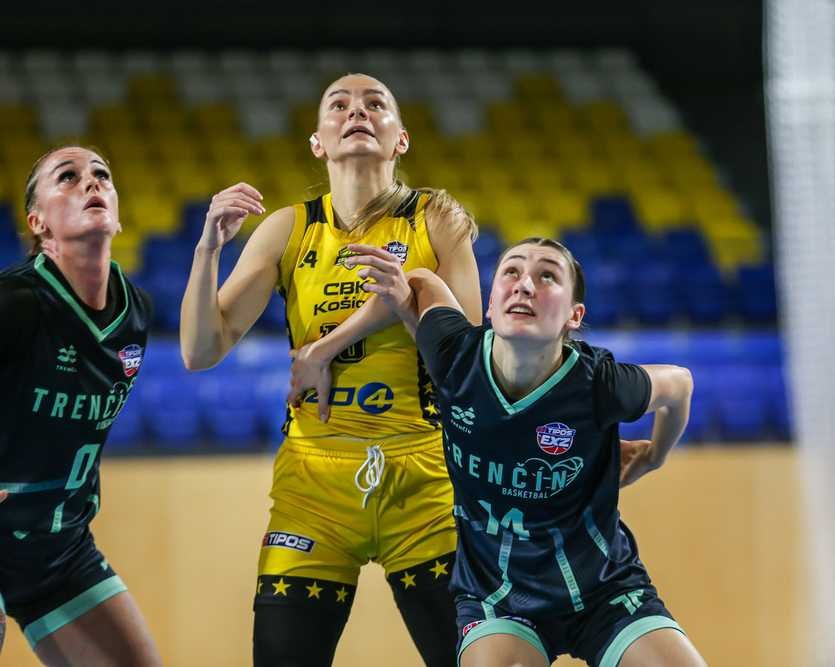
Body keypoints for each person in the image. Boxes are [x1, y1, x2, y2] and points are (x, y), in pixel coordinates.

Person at [180, 73, 481, 666]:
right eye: (338, 105)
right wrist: (207, 248)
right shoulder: (288, 228)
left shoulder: (436, 218)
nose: (356, 112)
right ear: (317, 141)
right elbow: (199, 350)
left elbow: (469, 364)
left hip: (425, 479)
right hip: (313, 486)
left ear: (401, 138)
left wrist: (335, 342)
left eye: (375, 104)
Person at [340, 237, 708, 666]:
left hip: (606, 590)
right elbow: (422, 280)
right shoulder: (455, 357)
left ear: (574, 316)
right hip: (497, 597)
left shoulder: (599, 384)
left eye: (547, 276)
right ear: (491, 304)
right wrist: (331, 343)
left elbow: (680, 384)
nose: (525, 285)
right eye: (511, 271)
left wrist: (654, 456)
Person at [0, 146, 161, 666]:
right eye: (67, 177)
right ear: (38, 222)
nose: (91, 183)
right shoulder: (16, 303)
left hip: (57, 548)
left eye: (101, 175)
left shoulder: (136, 312)